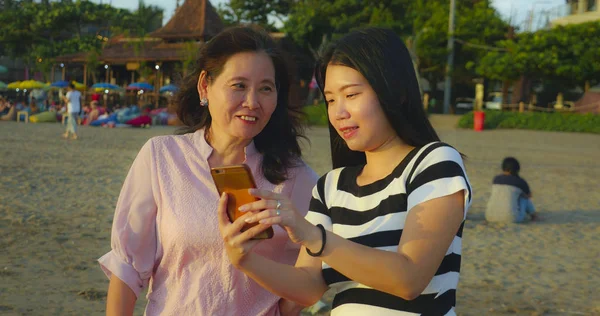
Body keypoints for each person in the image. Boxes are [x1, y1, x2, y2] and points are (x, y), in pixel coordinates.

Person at [218, 27, 472, 315]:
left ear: (395, 91)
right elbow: (308, 288)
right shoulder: (332, 186)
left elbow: (409, 278)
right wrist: (245, 260)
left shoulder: (434, 163)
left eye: (351, 94)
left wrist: (312, 235)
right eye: (330, 99)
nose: (339, 112)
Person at [99, 26, 318, 316]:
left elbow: (311, 282)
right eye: (239, 85)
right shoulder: (162, 156)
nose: (252, 102)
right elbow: (127, 268)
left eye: (266, 88)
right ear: (205, 86)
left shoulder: (295, 177)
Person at [485, 157, 538, 223]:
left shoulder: (496, 179)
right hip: (511, 218)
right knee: (524, 198)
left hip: (489, 217)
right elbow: (529, 196)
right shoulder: (520, 181)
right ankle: (533, 215)